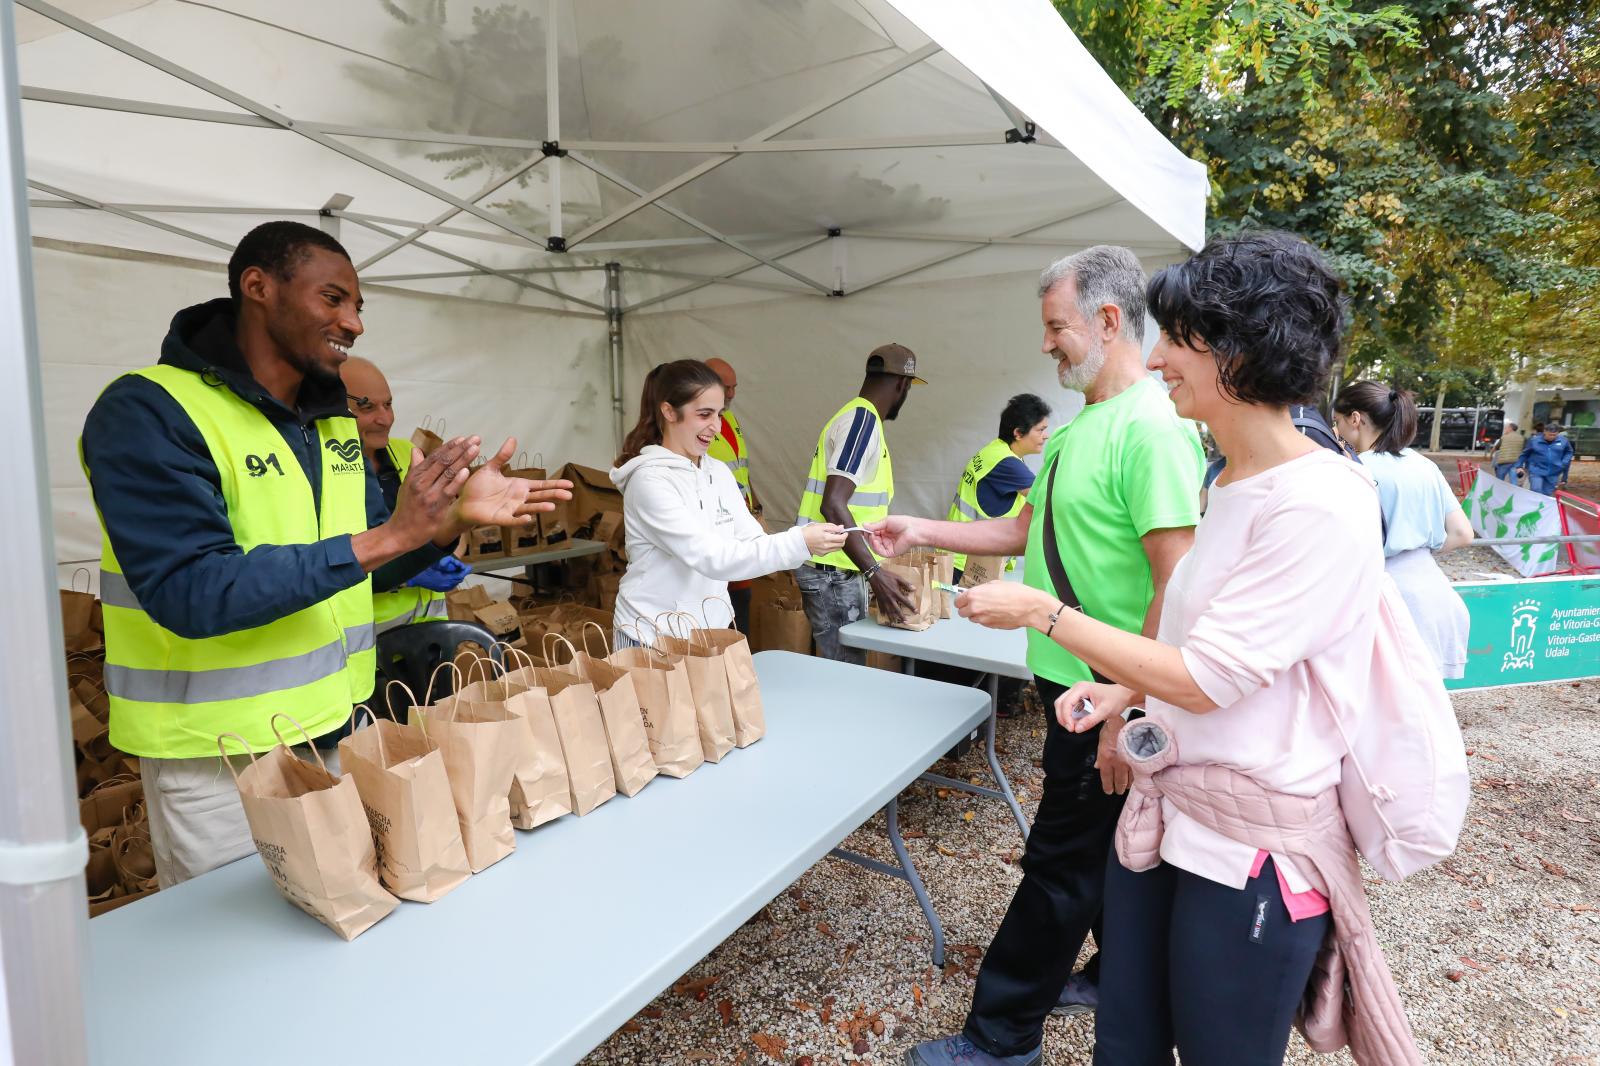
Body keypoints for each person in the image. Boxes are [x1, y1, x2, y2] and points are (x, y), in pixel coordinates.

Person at [954, 231, 1416, 1066]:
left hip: (1254, 850)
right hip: (1171, 815)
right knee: (1125, 1041)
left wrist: (1041, 612)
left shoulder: (1319, 502)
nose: (1157, 352)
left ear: (1242, 352)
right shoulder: (1230, 481)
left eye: (1178, 337)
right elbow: (1188, 632)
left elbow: (1208, 677)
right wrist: (1127, 696)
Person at [79, 221, 570, 887]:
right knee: (242, 973)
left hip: (337, 732)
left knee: (339, 938)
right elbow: (189, 590)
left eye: (359, 306)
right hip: (221, 764)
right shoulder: (150, 410)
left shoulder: (329, 419)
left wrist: (446, 521)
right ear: (258, 286)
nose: (354, 323)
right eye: (333, 299)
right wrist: (390, 536)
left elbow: (365, 566)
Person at [870, 246, 1202, 1066]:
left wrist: (1132, 703)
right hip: (1073, 689)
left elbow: (1177, 585)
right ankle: (1109, 975)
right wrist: (922, 529)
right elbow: (1023, 531)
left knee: (1058, 868)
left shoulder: (1152, 431)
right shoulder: (1080, 428)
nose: (1048, 344)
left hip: (1104, 696)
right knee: (1104, 855)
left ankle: (1001, 1038)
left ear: (1109, 320)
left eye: (1057, 327)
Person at [609, 360, 846, 644]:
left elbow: (753, 541)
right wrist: (801, 542)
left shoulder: (718, 472)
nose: (717, 427)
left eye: (719, 414)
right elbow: (711, 557)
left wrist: (811, 542)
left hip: (711, 633)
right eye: (705, 414)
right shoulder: (649, 480)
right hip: (650, 636)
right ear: (669, 411)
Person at [1333, 383, 1474, 678]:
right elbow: (1463, 533)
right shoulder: (1424, 465)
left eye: (1337, 422)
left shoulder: (1354, 469)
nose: (1337, 431)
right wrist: (1414, 546)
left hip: (1383, 599)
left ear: (1355, 419)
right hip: (1435, 594)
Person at [793, 345, 922, 661]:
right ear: (902, 385)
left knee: (842, 670)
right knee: (845, 673)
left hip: (836, 569)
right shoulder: (861, 423)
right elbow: (833, 504)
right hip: (834, 573)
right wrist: (875, 573)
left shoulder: (859, 419)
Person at [340, 355, 468, 633]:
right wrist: (408, 576)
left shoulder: (407, 453)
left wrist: (448, 553)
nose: (384, 418)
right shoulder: (320, 469)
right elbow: (328, 562)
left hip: (428, 631)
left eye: (388, 404)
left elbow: (446, 519)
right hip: (368, 640)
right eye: (366, 406)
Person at [946, 393, 1050, 577]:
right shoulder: (1006, 464)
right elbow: (1048, 499)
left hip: (961, 554)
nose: (1046, 436)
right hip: (970, 563)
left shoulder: (995, 451)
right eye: (1040, 430)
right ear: (1018, 433)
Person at [703, 357, 765, 635]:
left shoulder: (730, 420)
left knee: (741, 604)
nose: (732, 394)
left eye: (734, 387)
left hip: (739, 523)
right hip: (716, 528)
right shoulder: (700, 426)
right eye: (726, 387)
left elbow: (740, 466)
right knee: (718, 606)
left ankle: (740, 660)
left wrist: (755, 501)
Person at [1516, 421, 1575, 495]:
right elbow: (1524, 454)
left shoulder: (1563, 441)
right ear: (1544, 432)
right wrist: (1519, 466)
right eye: (1550, 435)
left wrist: (1564, 462)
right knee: (1536, 490)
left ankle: (1540, 506)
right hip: (1536, 470)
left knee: (1547, 494)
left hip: (1554, 471)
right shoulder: (1534, 441)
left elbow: (1569, 451)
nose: (1552, 437)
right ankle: (1534, 505)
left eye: (1554, 435)